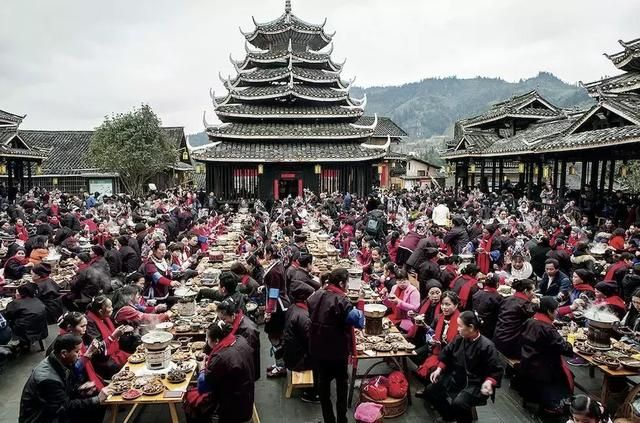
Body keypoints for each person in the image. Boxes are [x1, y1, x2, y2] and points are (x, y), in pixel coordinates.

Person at [426, 311, 504, 423]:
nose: (457, 329)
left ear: (471, 327)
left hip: (475, 382)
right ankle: (448, 417)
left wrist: (489, 382)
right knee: (431, 391)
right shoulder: (458, 339)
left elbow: (496, 370)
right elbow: (447, 354)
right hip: (456, 376)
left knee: (459, 403)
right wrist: (439, 369)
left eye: (460, 326)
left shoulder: (487, 346)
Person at [308, 268, 364, 423]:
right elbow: (358, 321)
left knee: (323, 387)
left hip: (318, 349)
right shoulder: (341, 300)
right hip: (337, 351)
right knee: (341, 386)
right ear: (341, 283)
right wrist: (359, 302)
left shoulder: (316, 295)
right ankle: (341, 419)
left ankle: (329, 420)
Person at [19, 334, 111, 423]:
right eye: (77, 351)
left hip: (52, 409)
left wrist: (78, 390)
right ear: (64, 353)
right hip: (42, 418)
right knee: (95, 405)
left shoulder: (59, 361)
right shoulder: (48, 379)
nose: (80, 354)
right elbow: (65, 407)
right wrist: (97, 400)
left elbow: (62, 391)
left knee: (94, 401)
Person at [186, 320, 255, 423]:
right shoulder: (240, 340)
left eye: (207, 339)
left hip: (232, 408)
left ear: (217, 340)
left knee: (190, 402)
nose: (206, 342)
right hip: (246, 396)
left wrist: (202, 368)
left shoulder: (220, 357)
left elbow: (203, 387)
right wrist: (211, 359)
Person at [518, 296, 574, 412]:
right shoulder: (547, 328)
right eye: (556, 310)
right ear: (549, 311)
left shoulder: (530, 320)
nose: (557, 312)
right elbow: (565, 349)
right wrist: (571, 336)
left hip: (527, 362)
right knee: (566, 375)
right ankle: (552, 404)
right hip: (543, 368)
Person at [282, 281, 318, 403]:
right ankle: (311, 394)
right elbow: (311, 342)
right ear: (306, 298)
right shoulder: (303, 316)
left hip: (291, 353)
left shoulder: (293, 307)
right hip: (298, 359)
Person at [415, 291, 461, 386]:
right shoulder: (438, 318)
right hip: (436, 348)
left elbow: (457, 348)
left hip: (451, 355)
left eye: (448, 304)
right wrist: (424, 327)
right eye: (443, 304)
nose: (444, 307)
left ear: (456, 305)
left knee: (432, 370)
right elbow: (431, 331)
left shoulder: (460, 322)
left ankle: (430, 386)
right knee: (415, 354)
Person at [259, 244, 289, 378]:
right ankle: (279, 363)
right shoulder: (278, 264)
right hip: (279, 302)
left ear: (270, 253)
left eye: (265, 252)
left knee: (274, 336)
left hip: (277, 306)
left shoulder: (274, 271)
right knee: (277, 336)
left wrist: (268, 312)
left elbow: (274, 292)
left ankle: (280, 366)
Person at [54, 312, 105, 390]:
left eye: (86, 325)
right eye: (82, 326)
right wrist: (89, 352)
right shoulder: (65, 344)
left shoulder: (77, 336)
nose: (85, 329)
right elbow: (72, 370)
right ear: (70, 327)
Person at [84, 295, 130, 379]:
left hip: (114, 353)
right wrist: (113, 336)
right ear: (101, 311)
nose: (112, 309)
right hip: (103, 361)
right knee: (127, 370)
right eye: (110, 307)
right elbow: (97, 349)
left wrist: (123, 330)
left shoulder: (104, 316)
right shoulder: (89, 323)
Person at [216, 298, 260, 382]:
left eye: (223, 319)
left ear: (233, 315)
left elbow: (245, 356)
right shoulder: (237, 321)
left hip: (246, 371)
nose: (222, 322)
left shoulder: (248, 330)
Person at [493, 279, 538, 359]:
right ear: (525, 291)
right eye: (533, 291)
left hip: (498, 340)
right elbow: (532, 311)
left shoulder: (507, 299)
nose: (534, 294)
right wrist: (535, 304)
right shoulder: (525, 305)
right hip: (511, 346)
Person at [4, 284, 48, 349]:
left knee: (6, 321)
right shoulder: (37, 300)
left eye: (16, 293)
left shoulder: (16, 303)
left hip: (25, 331)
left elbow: (8, 315)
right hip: (41, 329)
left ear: (20, 294)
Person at [471, 274, 503, 339]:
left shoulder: (477, 294)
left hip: (476, 323)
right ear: (497, 284)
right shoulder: (497, 297)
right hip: (488, 327)